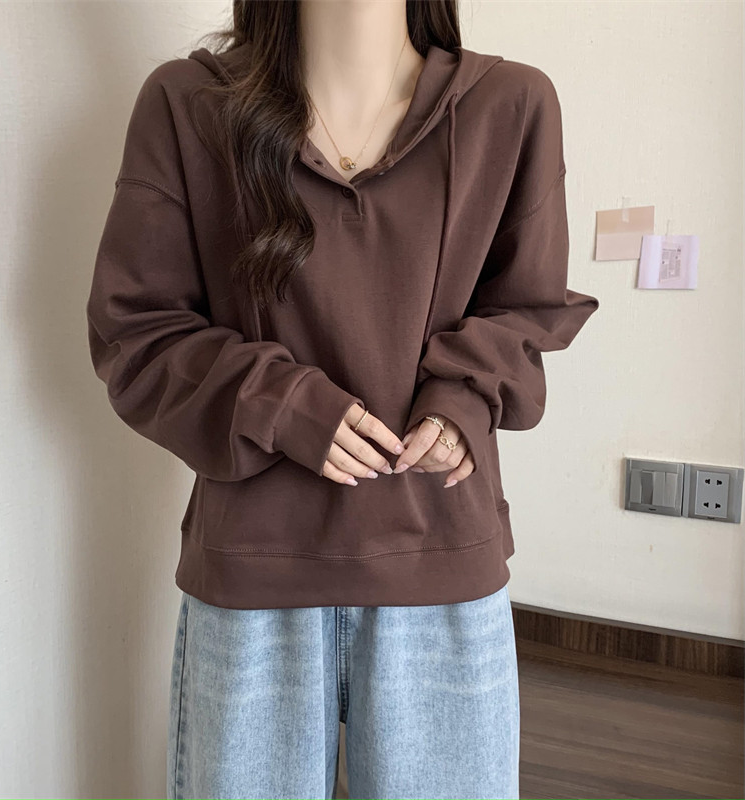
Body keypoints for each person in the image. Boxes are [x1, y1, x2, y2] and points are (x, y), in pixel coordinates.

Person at [85, 1, 600, 798]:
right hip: (254, 577)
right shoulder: (187, 105)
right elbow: (135, 332)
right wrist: (282, 404)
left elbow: (527, 307)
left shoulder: (512, 106)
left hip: (439, 560)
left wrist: (463, 396)